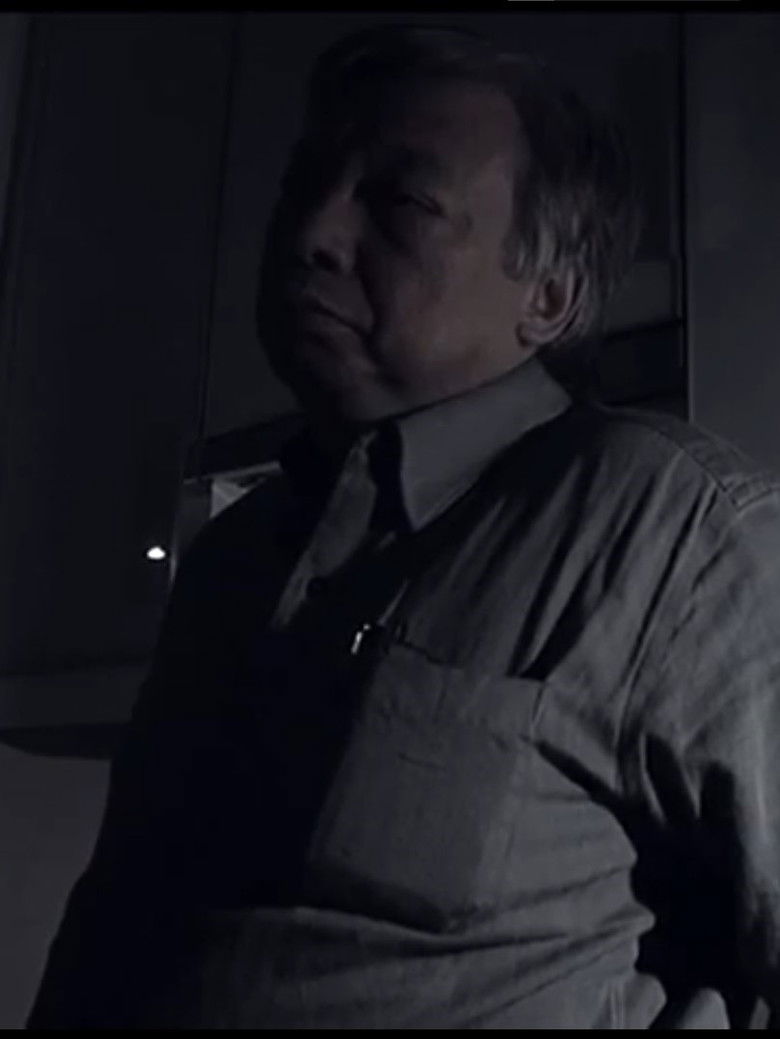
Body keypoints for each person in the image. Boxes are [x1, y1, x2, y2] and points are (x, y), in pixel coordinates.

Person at [28, 24, 780, 1029]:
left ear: (549, 296)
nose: (313, 233)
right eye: (305, 186)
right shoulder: (228, 561)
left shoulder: (674, 528)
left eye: (403, 202)